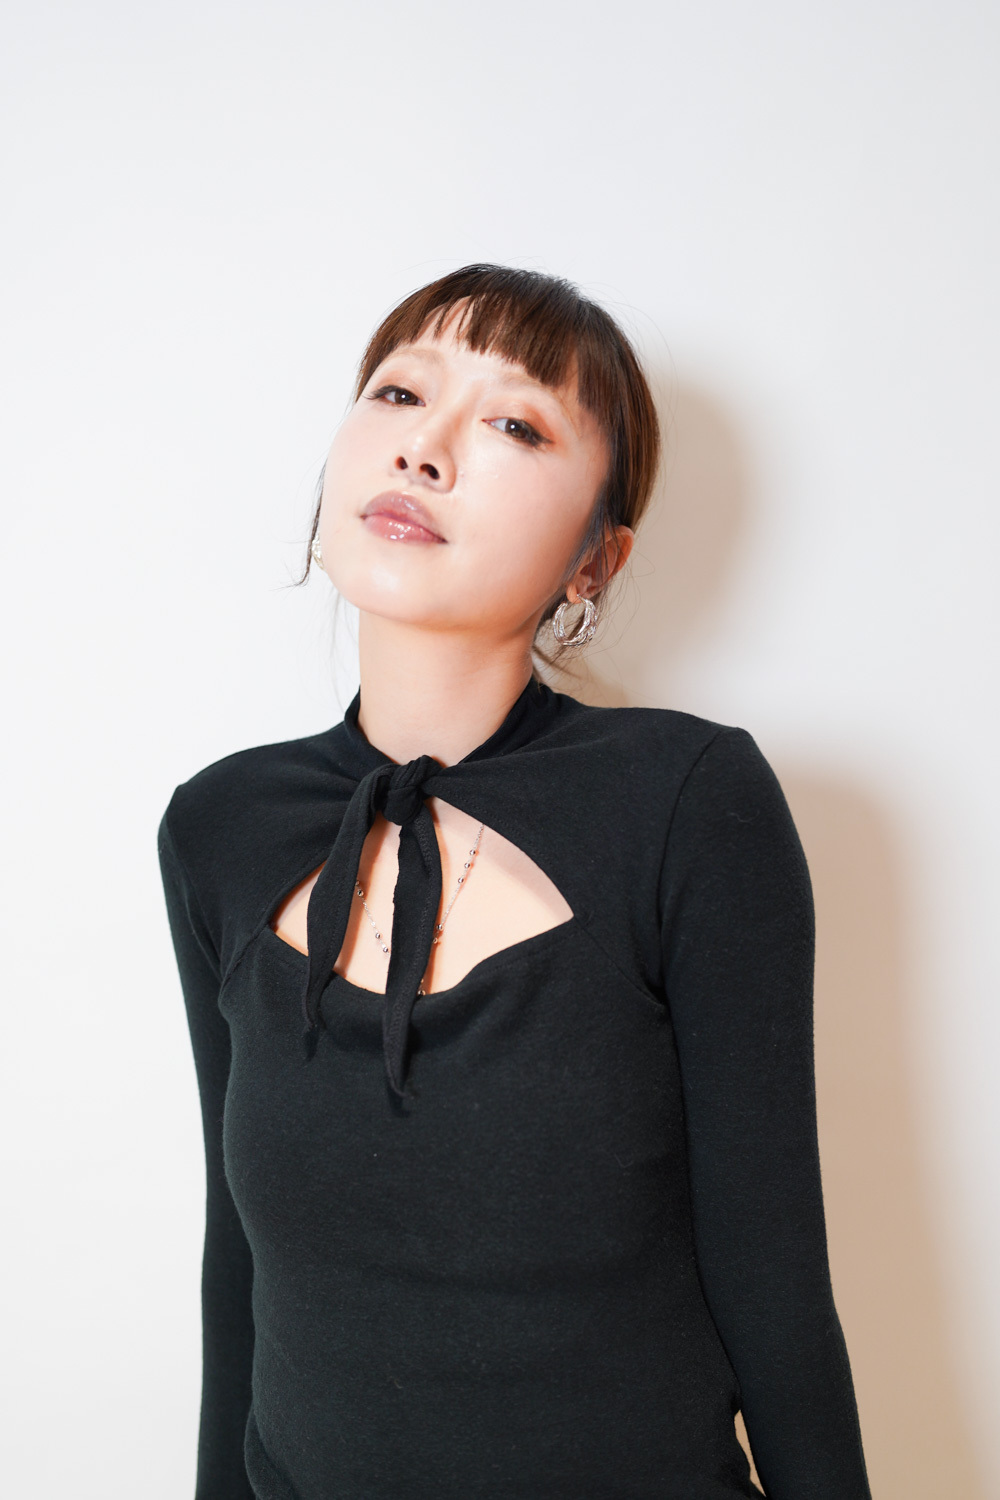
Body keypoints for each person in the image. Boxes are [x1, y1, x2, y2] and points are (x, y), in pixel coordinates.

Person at [158, 263, 872, 1500]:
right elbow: (241, 1261)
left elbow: (772, 1278)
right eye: (398, 393)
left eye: (514, 424)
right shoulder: (218, 826)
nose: (423, 449)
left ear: (596, 558)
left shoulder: (686, 803)